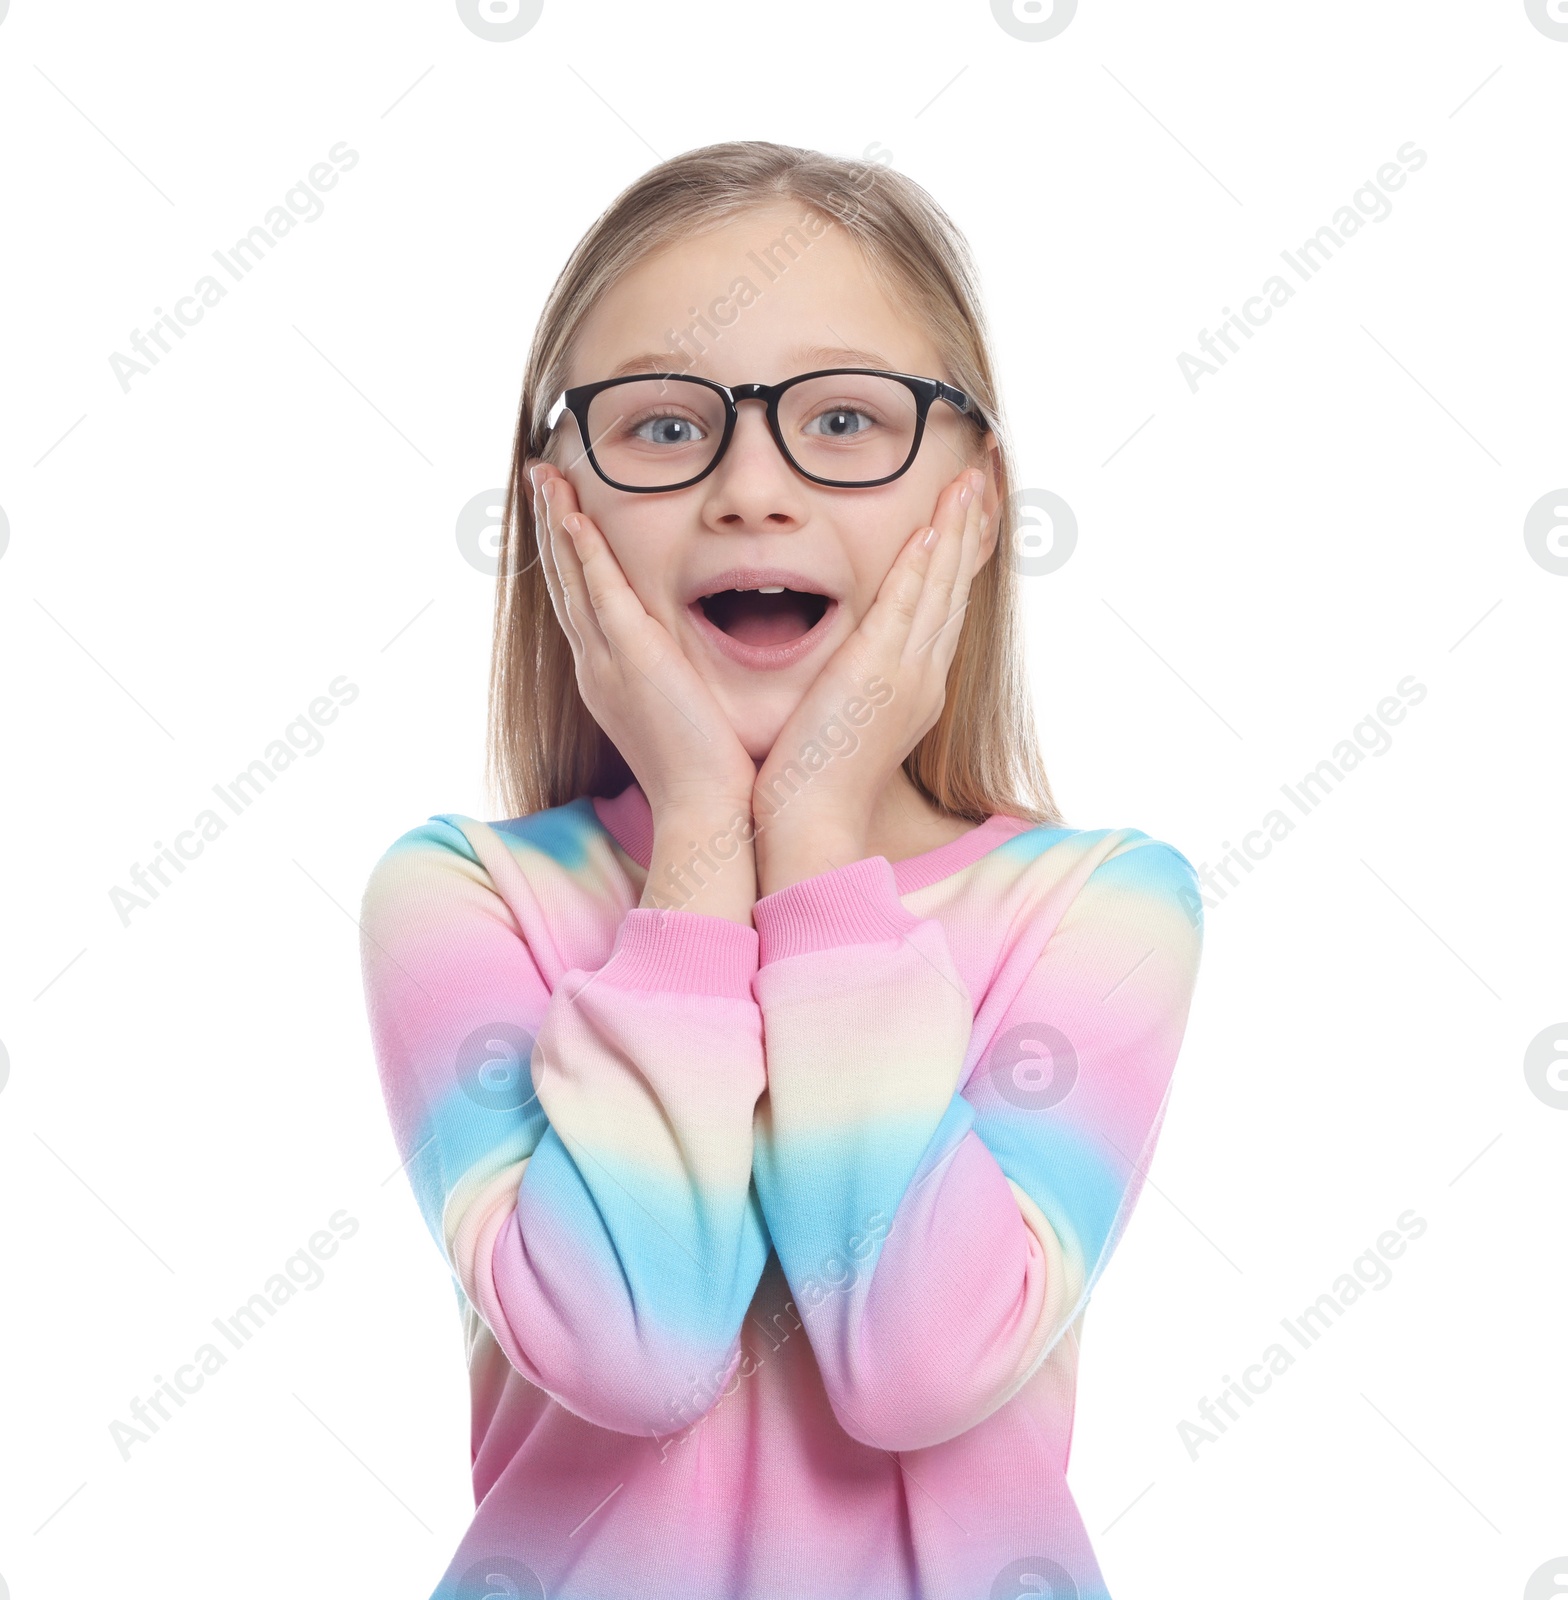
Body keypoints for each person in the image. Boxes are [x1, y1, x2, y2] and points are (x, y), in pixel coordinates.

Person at [358, 139, 1204, 1600]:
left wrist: (814, 842)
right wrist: (700, 838)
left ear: (977, 507)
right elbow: (639, 1344)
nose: (753, 487)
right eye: (666, 428)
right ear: (557, 509)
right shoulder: (461, 902)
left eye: (847, 419)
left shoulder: (1108, 911)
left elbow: (916, 1362)